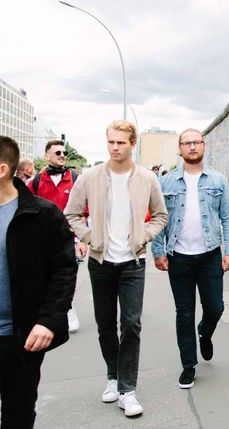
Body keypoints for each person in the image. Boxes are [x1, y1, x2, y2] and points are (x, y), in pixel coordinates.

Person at [64, 120, 167, 418]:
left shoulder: (147, 178)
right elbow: (71, 213)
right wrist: (88, 237)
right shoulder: (90, 176)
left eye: (121, 142)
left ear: (132, 143)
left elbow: (160, 215)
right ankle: (113, 376)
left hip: (133, 263)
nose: (115, 147)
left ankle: (128, 389)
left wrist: (144, 236)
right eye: (111, 142)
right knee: (105, 324)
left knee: (132, 324)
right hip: (100, 262)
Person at [0, 136, 77, 428]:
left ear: (2, 169)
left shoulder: (42, 215)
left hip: (20, 337)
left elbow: (64, 271)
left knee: (17, 414)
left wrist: (47, 321)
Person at [152, 129, 229, 389]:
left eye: (196, 142)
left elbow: (228, 216)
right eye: (187, 143)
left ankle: (205, 332)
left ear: (203, 146)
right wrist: (158, 251)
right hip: (178, 257)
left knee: (216, 307)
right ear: (179, 148)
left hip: (210, 254)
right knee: (184, 313)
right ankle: (188, 366)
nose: (192, 147)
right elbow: (158, 217)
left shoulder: (218, 180)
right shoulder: (166, 182)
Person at [29, 139, 83, 333]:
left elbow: (86, 209)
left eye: (64, 153)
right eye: (58, 153)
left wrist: (83, 238)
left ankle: (68, 308)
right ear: (47, 156)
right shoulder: (35, 181)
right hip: (43, 237)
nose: (62, 156)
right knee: (45, 273)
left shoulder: (76, 179)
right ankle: (49, 312)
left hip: (70, 236)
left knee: (67, 272)